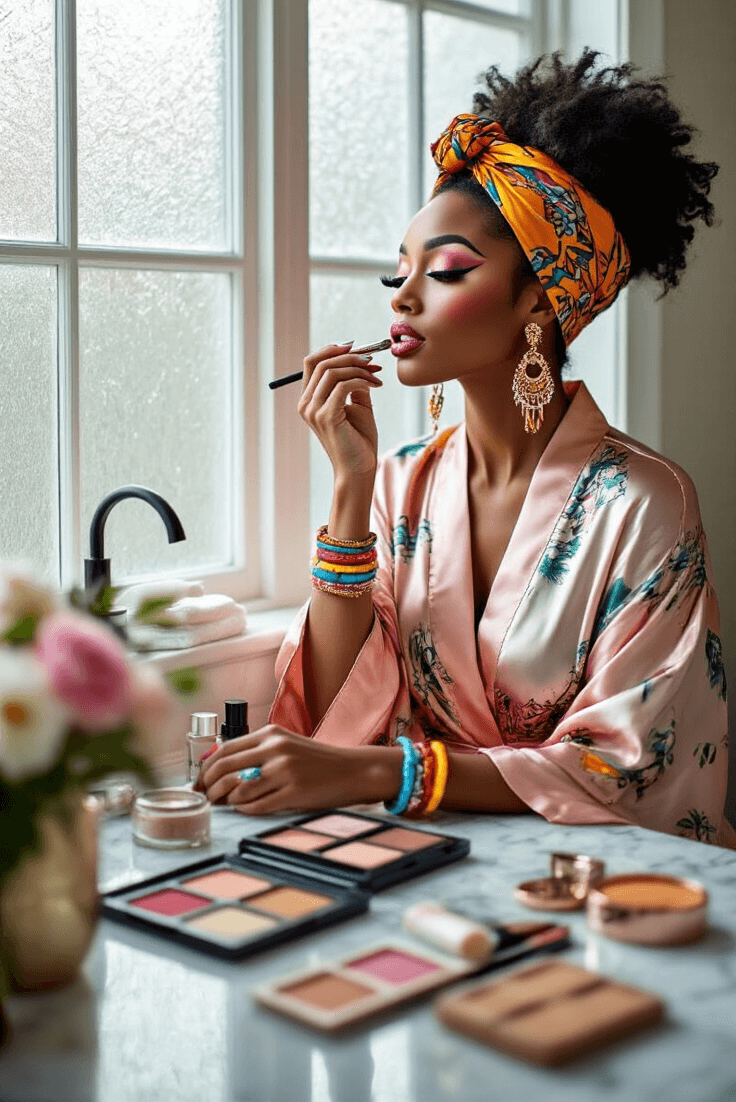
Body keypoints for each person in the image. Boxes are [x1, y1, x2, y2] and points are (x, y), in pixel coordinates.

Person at [197, 49, 734, 847]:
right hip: (437, 863)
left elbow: (628, 766)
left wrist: (392, 774)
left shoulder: (645, 504)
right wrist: (349, 491)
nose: (405, 295)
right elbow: (343, 710)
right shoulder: (401, 482)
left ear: (538, 299)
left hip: (599, 886)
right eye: (398, 274)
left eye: (446, 271)